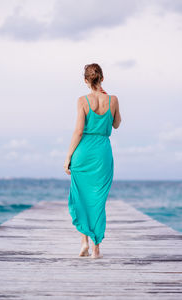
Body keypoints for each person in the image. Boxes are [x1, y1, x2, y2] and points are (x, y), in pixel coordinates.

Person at [64, 63, 122, 259]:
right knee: (99, 200)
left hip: (83, 153)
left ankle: (83, 242)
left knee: (81, 198)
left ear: (86, 81)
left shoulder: (82, 101)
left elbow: (78, 131)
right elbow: (116, 124)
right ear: (102, 79)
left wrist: (68, 156)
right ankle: (96, 248)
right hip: (102, 154)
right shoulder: (113, 100)